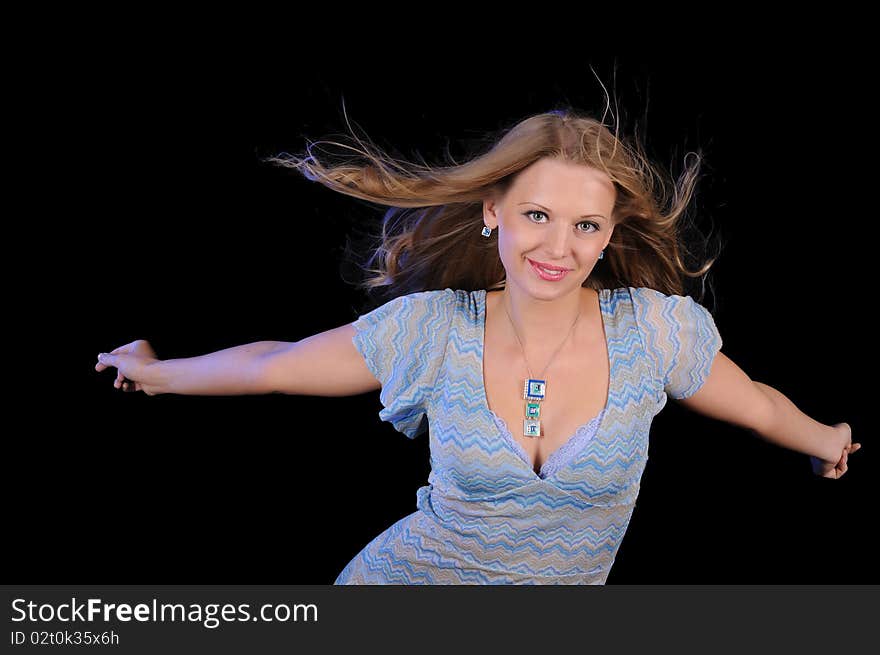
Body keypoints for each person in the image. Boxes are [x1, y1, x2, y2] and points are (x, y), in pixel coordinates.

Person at [94, 108, 860, 584]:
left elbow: (756, 405)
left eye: (585, 226)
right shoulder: (432, 331)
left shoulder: (653, 333)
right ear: (493, 212)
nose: (558, 246)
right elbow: (275, 365)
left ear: (608, 236)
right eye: (536, 214)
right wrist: (158, 375)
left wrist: (829, 438)